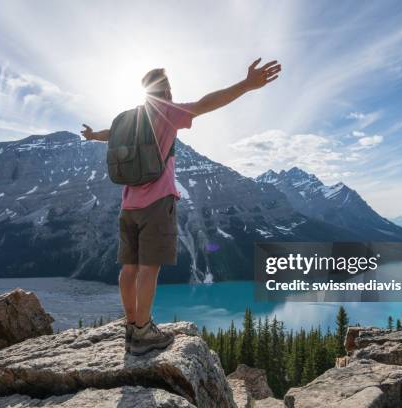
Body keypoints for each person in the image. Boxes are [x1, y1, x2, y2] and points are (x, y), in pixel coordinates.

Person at [81, 57, 281, 355]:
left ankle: (131, 324)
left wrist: (94, 135)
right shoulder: (166, 113)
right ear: (166, 90)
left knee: (129, 267)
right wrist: (246, 85)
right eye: (170, 87)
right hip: (157, 203)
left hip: (128, 205)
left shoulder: (127, 118)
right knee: (149, 268)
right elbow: (205, 103)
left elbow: (110, 134)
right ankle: (143, 332)